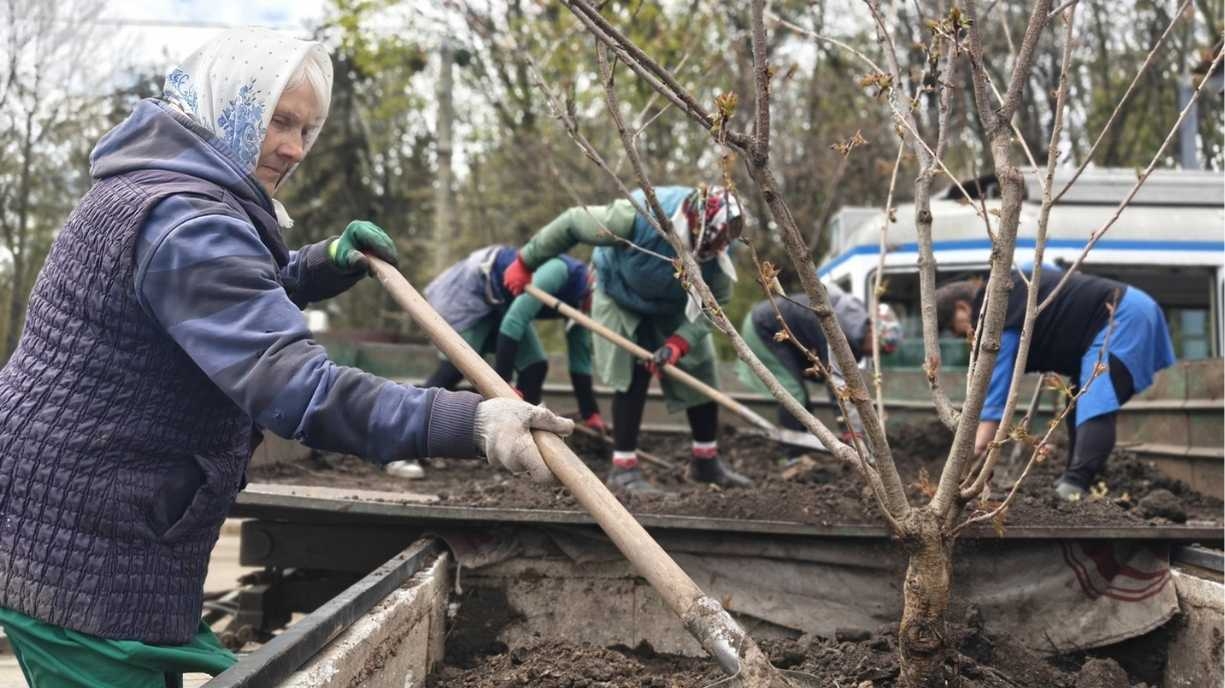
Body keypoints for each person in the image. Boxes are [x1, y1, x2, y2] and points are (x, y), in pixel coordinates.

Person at [0, 28, 572, 688]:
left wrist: (322, 263)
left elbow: (224, 293)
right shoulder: (185, 222)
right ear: (227, 106)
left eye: (306, 129)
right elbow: (298, 388)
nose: (295, 148)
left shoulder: (167, 190)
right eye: (278, 120)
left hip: (102, 527)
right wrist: (472, 423)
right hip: (80, 547)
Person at [503, 186, 752, 495]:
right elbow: (572, 223)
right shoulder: (636, 217)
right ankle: (623, 469)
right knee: (632, 372)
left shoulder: (721, 247)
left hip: (675, 307)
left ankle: (706, 462)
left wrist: (680, 342)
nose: (717, 249)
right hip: (619, 294)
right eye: (712, 242)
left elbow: (716, 304)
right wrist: (526, 262)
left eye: (721, 244)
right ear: (695, 224)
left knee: (701, 367)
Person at [936, 265, 1174, 500]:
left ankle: (1075, 486)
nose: (958, 336)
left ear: (962, 307)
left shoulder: (996, 311)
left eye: (952, 328)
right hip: (1127, 310)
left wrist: (978, 447)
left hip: (1122, 316)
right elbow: (1046, 270)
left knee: (1094, 403)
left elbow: (997, 389)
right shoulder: (1011, 286)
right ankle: (1077, 483)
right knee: (1077, 403)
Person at [380, 245, 602, 479]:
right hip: (474, 288)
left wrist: (591, 413)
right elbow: (513, 323)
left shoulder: (582, 304)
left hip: (502, 305)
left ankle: (524, 452)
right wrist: (502, 387)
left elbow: (580, 362)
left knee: (534, 366)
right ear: (595, 283)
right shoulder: (559, 270)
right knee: (455, 366)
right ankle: (398, 445)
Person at [736, 285, 902, 453]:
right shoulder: (838, 332)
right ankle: (791, 455)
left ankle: (801, 446)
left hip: (784, 332)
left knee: (800, 393)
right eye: (878, 349)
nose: (874, 354)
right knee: (793, 393)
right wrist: (852, 433)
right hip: (763, 327)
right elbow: (836, 383)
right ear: (872, 331)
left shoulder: (853, 322)